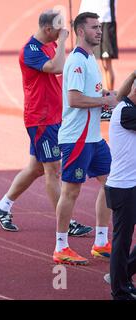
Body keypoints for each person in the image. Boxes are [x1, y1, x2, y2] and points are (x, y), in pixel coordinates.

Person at [0, 10, 92, 237]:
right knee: (53, 170)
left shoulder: (49, 45)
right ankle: (65, 221)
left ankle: (2, 205)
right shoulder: (31, 50)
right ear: (48, 29)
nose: (62, 33)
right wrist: (64, 41)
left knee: (36, 167)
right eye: (59, 30)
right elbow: (55, 68)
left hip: (54, 117)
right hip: (41, 119)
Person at [53, 12, 119, 265]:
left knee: (111, 183)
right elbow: (74, 99)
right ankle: (61, 246)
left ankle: (101, 242)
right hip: (76, 139)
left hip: (93, 138)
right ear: (80, 31)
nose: (99, 31)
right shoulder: (77, 61)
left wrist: (102, 93)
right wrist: (104, 100)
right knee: (71, 191)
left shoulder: (90, 59)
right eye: (94, 27)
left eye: (100, 27)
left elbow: (87, 91)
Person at [104, 70, 136, 300]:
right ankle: (119, 290)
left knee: (123, 242)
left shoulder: (125, 108)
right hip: (123, 189)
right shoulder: (126, 113)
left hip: (131, 186)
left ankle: (123, 276)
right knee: (121, 242)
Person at [79, 0, 119, 121]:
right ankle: (91, 100)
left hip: (105, 17)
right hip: (86, 16)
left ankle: (110, 104)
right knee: (86, 60)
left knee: (106, 63)